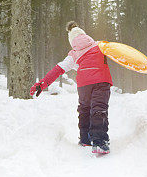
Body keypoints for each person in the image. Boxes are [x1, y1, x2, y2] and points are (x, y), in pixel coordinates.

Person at [30, 21, 113, 155]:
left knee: (85, 109)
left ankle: (85, 139)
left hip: (84, 84)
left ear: (72, 41)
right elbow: (120, 54)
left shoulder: (73, 55)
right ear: (85, 36)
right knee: (99, 108)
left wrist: (42, 84)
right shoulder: (100, 45)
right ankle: (100, 142)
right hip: (101, 81)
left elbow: (58, 69)